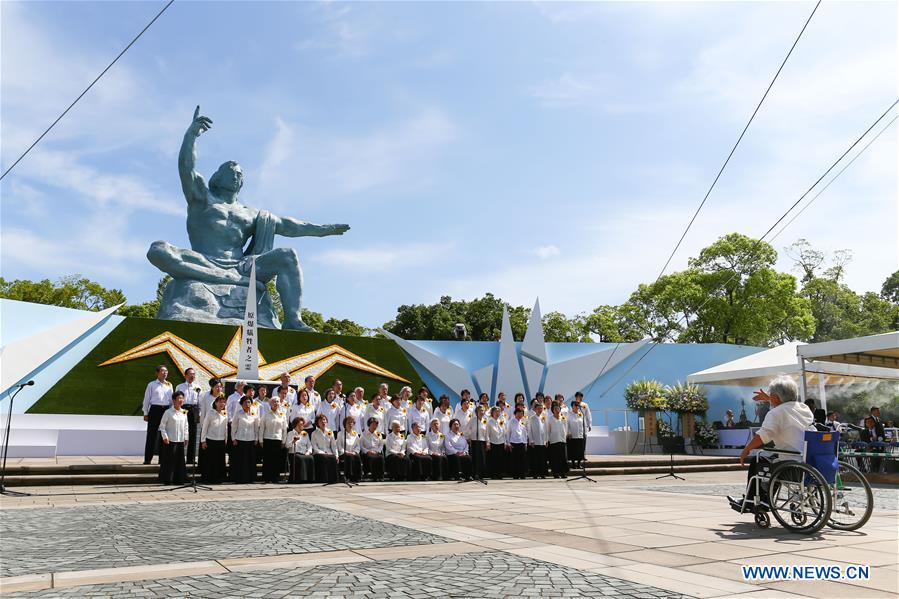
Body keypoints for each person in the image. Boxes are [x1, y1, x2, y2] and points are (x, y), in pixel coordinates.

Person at [729, 375, 816, 510]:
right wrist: (771, 398)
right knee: (773, 460)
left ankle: (753, 501)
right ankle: (765, 499)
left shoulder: (776, 413)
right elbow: (788, 407)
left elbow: (764, 436)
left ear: (775, 398)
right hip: (811, 462)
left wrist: (746, 449)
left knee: (757, 461)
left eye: (771, 396)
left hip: (792, 465)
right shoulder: (804, 408)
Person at [142, 365, 173, 465]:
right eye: (163, 371)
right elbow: (146, 399)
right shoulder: (151, 384)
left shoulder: (169, 385)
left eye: (166, 371)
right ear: (157, 373)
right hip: (155, 410)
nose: (165, 373)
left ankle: (162, 459)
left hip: (166, 410)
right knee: (152, 435)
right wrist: (145, 413)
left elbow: (172, 400)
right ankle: (147, 459)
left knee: (164, 435)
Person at [158, 391, 189, 484]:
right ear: (173, 400)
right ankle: (167, 479)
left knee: (180, 461)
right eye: (179, 398)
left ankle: (179, 479)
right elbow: (162, 426)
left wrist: (186, 437)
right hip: (170, 440)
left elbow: (186, 425)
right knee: (169, 461)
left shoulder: (184, 412)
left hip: (180, 440)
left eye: (182, 398)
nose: (181, 400)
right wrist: (165, 437)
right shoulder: (168, 412)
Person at [175, 367, 203, 464]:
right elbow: (176, 400)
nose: (192, 376)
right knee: (181, 431)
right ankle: (179, 457)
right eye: (190, 374)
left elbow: (200, 402)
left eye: (194, 374)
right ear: (185, 375)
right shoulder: (180, 386)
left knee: (193, 434)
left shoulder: (198, 387)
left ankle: (191, 458)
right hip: (183, 409)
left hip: (194, 410)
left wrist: (199, 413)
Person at [200, 394, 228, 484]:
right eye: (220, 402)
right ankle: (208, 479)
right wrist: (203, 440)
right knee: (210, 461)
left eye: (224, 402)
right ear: (215, 403)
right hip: (211, 440)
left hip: (221, 440)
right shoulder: (210, 413)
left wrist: (225, 440)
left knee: (220, 461)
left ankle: (219, 479)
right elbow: (205, 427)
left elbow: (226, 428)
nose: (222, 404)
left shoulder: (225, 414)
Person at [258, 397, 287, 483]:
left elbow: (284, 429)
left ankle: (275, 477)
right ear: (270, 404)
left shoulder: (282, 415)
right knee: (267, 460)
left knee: (276, 460)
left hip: (278, 439)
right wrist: (261, 440)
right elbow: (262, 428)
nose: (276, 403)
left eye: (277, 402)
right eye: (274, 402)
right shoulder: (266, 414)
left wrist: (284, 440)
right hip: (267, 439)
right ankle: (267, 478)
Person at [231, 396, 259, 483]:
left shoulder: (254, 414)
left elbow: (256, 427)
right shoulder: (238, 413)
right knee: (240, 461)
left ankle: (250, 478)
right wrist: (233, 438)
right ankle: (239, 478)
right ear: (241, 404)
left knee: (250, 460)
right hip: (240, 439)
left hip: (250, 440)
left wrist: (256, 438)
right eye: (245, 403)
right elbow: (234, 426)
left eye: (249, 402)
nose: (247, 404)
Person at [285, 417, 314, 483]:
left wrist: (308, 452)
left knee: (311, 458)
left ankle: (308, 479)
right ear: (295, 425)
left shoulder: (305, 433)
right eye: (300, 425)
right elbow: (287, 446)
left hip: (304, 453)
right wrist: (293, 441)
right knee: (299, 458)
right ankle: (299, 478)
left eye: (302, 424)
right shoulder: (290, 433)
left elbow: (309, 445)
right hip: (294, 453)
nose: (302, 426)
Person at [311, 414, 338, 483]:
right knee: (324, 457)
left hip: (329, 453)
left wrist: (336, 455)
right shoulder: (314, 433)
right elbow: (314, 447)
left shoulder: (330, 432)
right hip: (319, 453)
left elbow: (334, 445)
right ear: (317, 423)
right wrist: (323, 453)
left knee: (332, 457)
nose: (323, 422)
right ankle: (323, 479)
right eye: (320, 420)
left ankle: (332, 479)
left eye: (324, 420)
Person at [465, 404, 489, 480]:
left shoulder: (485, 420)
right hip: (474, 441)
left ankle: (481, 474)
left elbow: (487, 432)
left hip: (482, 441)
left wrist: (488, 442)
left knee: (482, 458)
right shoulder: (473, 420)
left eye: (483, 410)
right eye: (480, 410)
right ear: (476, 412)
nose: (482, 412)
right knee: (475, 458)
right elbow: (466, 429)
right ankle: (475, 473)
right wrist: (468, 437)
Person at [337, 415, 363, 483]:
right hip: (344, 454)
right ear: (344, 424)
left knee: (357, 456)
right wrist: (345, 452)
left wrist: (355, 452)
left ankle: (357, 477)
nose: (350, 424)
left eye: (352, 422)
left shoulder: (355, 434)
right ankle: (348, 476)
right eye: (348, 422)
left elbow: (358, 446)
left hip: (353, 453)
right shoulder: (340, 434)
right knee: (349, 456)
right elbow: (339, 446)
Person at [547, 402, 569, 478]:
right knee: (555, 458)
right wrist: (547, 440)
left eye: (558, 408)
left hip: (562, 440)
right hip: (553, 441)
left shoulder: (563, 417)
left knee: (563, 457)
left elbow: (566, 427)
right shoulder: (550, 419)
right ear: (552, 410)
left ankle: (563, 472)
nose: (557, 410)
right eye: (555, 409)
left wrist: (565, 436)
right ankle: (555, 473)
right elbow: (548, 430)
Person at [506, 406, 529, 479]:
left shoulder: (523, 421)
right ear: (515, 413)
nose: (520, 415)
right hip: (513, 442)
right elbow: (508, 433)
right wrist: (508, 443)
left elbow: (525, 433)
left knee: (522, 460)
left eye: (522, 413)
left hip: (521, 442)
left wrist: (525, 443)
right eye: (519, 413)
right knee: (515, 460)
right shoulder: (511, 421)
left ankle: (522, 474)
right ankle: (515, 475)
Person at [361, 417, 386, 482]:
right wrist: (367, 452)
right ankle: (374, 477)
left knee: (381, 458)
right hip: (368, 453)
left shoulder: (378, 434)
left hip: (376, 452)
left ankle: (381, 476)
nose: (375, 426)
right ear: (369, 424)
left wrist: (377, 451)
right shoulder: (363, 434)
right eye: (373, 424)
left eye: (376, 425)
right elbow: (361, 446)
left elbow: (381, 444)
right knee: (372, 459)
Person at [487, 406, 507, 479]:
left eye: (499, 411)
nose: (497, 413)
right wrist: (488, 443)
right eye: (496, 411)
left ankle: (499, 474)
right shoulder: (489, 421)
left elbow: (504, 432)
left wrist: (505, 442)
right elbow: (487, 433)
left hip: (501, 442)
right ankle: (493, 474)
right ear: (492, 412)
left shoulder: (501, 421)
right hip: (493, 442)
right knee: (493, 459)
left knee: (500, 459)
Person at [567, 400, 587, 469]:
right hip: (572, 435)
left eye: (577, 405)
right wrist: (568, 433)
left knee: (580, 450)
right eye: (575, 405)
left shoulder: (581, 414)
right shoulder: (569, 414)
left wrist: (584, 432)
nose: (577, 407)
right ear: (572, 406)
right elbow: (567, 424)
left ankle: (578, 464)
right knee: (573, 450)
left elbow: (583, 424)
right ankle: (573, 464)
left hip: (580, 435)